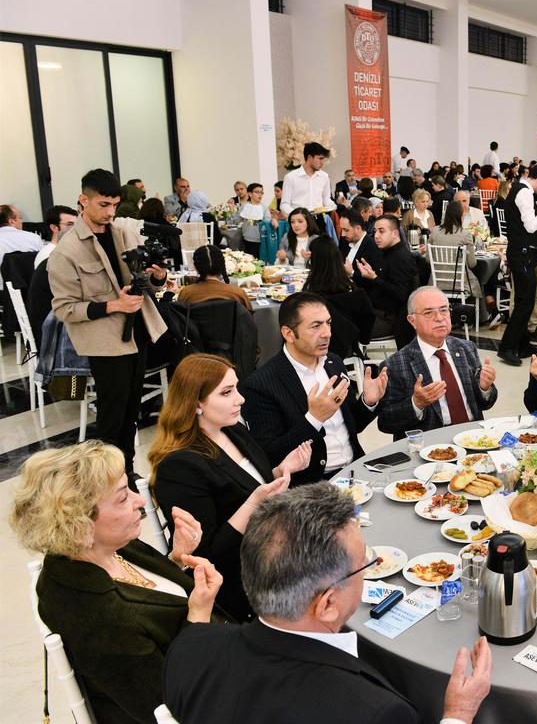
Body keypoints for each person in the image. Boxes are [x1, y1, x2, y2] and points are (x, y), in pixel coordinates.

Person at [163, 483, 491, 724]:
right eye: (363, 564)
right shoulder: (373, 712)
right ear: (328, 605)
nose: (368, 568)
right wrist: (457, 715)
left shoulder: (190, 646)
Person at [10, 441, 227, 724]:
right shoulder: (98, 616)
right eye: (123, 497)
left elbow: (145, 597)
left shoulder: (104, 548)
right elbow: (172, 705)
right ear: (79, 524)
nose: (140, 501)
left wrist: (175, 561)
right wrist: (199, 614)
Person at [149, 354, 312, 620]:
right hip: (244, 580)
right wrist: (254, 503)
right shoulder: (179, 467)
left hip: (277, 549)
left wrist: (280, 470)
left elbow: (245, 486)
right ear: (196, 403)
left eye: (236, 388)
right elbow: (207, 554)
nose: (241, 399)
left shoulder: (231, 430)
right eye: (227, 392)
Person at [48, 169, 168, 479]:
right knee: (112, 419)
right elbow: (64, 308)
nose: (110, 212)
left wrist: (157, 277)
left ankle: (126, 473)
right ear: (83, 200)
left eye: (114, 204)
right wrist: (114, 305)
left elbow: (143, 285)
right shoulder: (67, 250)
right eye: (103, 204)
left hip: (138, 333)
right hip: (105, 343)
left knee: (131, 414)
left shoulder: (122, 234)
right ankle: (108, 480)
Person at [240, 292, 388, 482]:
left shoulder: (333, 363)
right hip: (312, 484)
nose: (327, 333)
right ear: (288, 333)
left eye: (328, 323)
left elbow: (353, 425)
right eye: (316, 326)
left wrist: (368, 402)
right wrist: (314, 419)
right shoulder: (261, 385)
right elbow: (270, 455)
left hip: (355, 471)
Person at [377, 286, 498, 436]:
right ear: (412, 321)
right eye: (428, 312)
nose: (439, 318)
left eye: (444, 310)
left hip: (473, 437)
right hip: (431, 443)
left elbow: (486, 404)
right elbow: (386, 422)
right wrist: (416, 404)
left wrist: (484, 388)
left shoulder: (466, 348)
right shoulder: (394, 364)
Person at [498, 163, 537, 366]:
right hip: (521, 254)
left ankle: (521, 344)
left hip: (524, 253)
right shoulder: (524, 193)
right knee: (524, 302)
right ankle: (506, 347)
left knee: (527, 300)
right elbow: (530, 226)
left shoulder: (522, 191)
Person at [303, 235, 379, 355]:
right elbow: (368, 316)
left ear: (316, 261)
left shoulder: (312, 292)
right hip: (348, 344)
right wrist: (362, 340)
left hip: (319, 347)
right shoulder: (350, 287)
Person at [357, 215, 419, 348]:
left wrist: (374, 278)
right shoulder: (387, 252)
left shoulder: (401, 257)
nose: (376, 236)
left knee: (344, 327)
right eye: (375, 232)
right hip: (379, 312)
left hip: (390, 319)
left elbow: (401, 294)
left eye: (382, 231)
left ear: (395, 233)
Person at [428, 200, 485, 310]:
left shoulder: (435, 231)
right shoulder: (465, 234)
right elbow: (472, 264)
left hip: (436, 282)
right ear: (461, 216)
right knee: (480, 282)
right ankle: (479, 316)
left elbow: (428, 260)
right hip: (460, 284)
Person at [177, 245, 253, 310]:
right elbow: (248, 319)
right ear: (223, 266)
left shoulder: (186, 294)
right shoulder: (238, 294)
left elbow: (179, 319)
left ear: (195, 268)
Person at [280, 142, 336, 229]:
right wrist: (297, 215)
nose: (322, 163)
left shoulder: (324, 176)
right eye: (320, 159)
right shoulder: (291, 177)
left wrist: (333, 205)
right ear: (309, 157)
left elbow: (326, 199)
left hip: (318, 221)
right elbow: (284, 204)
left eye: (323, 159)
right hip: (298, 222)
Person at [337, 209, 382, 287]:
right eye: (342, 229)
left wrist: (352, 273)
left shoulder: (373, 246)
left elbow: (375, 280)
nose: (342, 234)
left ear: (358, 228)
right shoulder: (345, 242)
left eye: (346, 230)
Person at [0, 204, 45, 272]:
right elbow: (43, 263)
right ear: (11, 222)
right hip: (31, 277)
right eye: (20, 218)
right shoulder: (34, 238)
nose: (21, 221)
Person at [237, 182, 268, 257]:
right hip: (246, 238)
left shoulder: (263, 207)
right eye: (257, 192)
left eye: (261, 192)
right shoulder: (245, 206)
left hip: (260, 239)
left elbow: (267, 221)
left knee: (257, 258)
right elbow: (237, 219)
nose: (260, 194)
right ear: (250, 194)